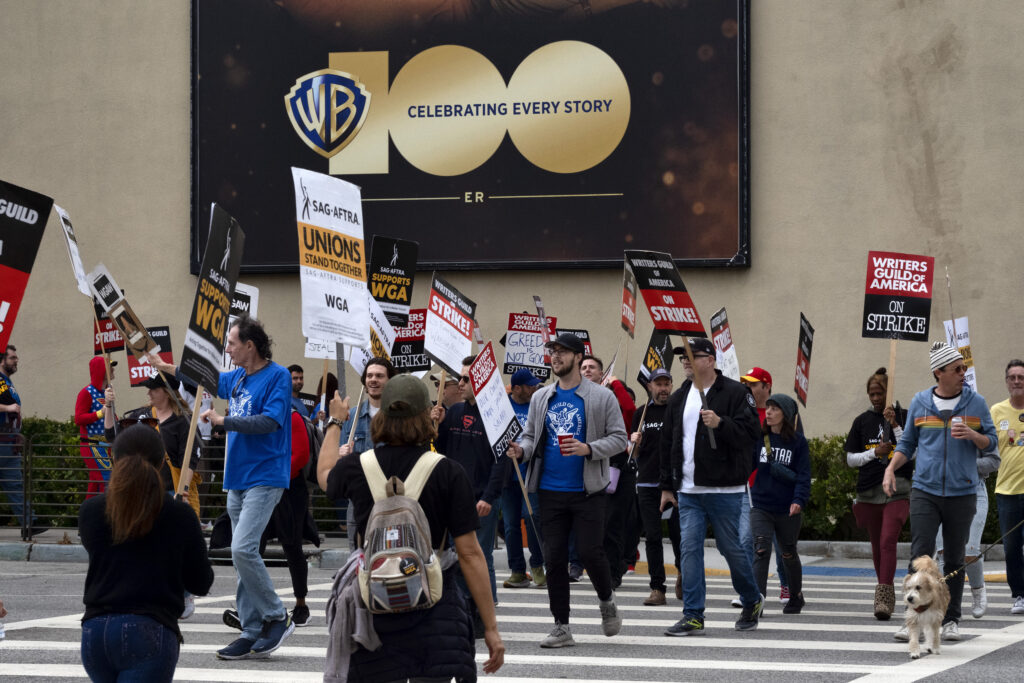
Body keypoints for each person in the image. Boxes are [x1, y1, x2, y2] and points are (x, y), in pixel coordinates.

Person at [317, 376, 505, 680]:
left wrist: (337, 420)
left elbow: (325, 474)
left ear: (382, 417)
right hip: (435, 610)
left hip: (374, 613)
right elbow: (471, 554)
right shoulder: (448, 471)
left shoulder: (357, 467)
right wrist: (492, 629)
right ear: (424, 416)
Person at [151, 314, 295, 660]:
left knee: (242, 549)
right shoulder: (239, 377)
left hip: (265, 475)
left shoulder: (277, 376)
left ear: (250, 345)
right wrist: (164, 366)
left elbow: (270, 422)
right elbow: (204, 378)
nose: (227, 349)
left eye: (231, 343)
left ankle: (276, 616)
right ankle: (251, 629)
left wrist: (222, 421)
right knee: (246, 555)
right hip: (238, 479)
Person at [507, 332, 627, 648]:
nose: (555, 357)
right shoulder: (541, 398)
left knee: (589, 551)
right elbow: (531, 437)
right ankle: (561, 626)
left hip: (588, 490)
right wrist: (521, 450)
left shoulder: (602, 397)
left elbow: (619, 439)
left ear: (578, 356)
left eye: (561, 352)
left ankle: (606, 599)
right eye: (552, 352)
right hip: (549, 490)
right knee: (554, 557)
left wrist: (589, 448)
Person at [79, 424, 214, 682]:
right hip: (149, 627)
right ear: (163, 461)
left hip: (95, 630)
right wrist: (186, 528)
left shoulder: (91, 511)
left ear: (113, 458)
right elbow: (201, 580)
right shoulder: (177, 514)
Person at [884, 341, 998, 642]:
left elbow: (992, 443)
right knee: (920, 555)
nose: (963, 373)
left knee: (955, 557)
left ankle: (951, 619)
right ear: (939, 372)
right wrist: (890, 468)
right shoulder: (921, 402)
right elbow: (907, 445)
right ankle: (913, 619)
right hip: (925, 490)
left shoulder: (976, 403)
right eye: (957, 369)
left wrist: (975, 435)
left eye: (964, 368)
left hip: (962, 492)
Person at [659, 337, 763, 636]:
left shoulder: (734, 392)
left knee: (731, 550)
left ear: (711, 360)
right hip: (688, 490)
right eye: (682, 357)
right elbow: (669, 443)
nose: (686, 361)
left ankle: (751, 598)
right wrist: (668, 485)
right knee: (689, 550)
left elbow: (751, 431)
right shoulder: (680, 396)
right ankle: (693, 614)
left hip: (724, 489)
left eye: (693, 355)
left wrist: (721, 423)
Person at [432, 356, 510, 608]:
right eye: (460, 377)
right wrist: (439, 426)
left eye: (467, 378)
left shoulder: (496, 414)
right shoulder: (454, 411)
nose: (460, 382)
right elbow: (443, 450)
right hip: (455, 497)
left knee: (480, 554)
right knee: (457, 553)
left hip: (481, 498)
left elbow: (502, 461)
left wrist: (488, 497)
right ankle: (465, 601)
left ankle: (486, 604)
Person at [845, 367, 911, 620]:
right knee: (876, 546)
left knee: (887, 541)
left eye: (880, 393)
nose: (875, 398)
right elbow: (851, 459)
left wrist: (894, 424)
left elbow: (910, 451)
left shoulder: (904, 416)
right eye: (871, 394)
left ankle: (882, 598)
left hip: (898, 489)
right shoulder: (862, 421)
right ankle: (887, 586)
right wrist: (874, 453)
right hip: (869, 491)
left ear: (888, 392)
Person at [749, 393, 810, 614]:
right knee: (761, 550)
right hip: (761, 505)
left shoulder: (798, 443)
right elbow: (747, 465)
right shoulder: (760, 438)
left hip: (787, 508)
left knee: (788, 553)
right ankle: (757, 602)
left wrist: (798, 500)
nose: (770, 413)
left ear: (786, 414)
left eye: (775, 409)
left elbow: (804, 476)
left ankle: (796, 595)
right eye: (769, 408)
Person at [581, 354, 636, 589]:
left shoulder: (610, 399)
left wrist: (615, 383)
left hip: (615, 465)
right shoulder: (576, 395)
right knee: (591, 525)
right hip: (588, 464)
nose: (586, 370)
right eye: (583, 367)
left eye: (592, 367)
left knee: (612, 523)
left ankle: (613, 572)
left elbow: (631, 410)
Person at [738, 366, 790, 606]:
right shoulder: (744, 412)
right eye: (746, 384)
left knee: (781, 544)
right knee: (747, 540)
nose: (748, 388)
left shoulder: (780, 413)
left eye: (753, 384)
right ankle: (751, 591)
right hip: (749, 488)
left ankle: (787, 584)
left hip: (777, 488)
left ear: (767, 386)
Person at [630, 367, 680, 605]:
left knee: (680, 536)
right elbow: (635, 455)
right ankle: (657, 588)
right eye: (658, 384)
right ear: (649, 386)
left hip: (676, 483)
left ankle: (684, 575)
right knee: (652, 537)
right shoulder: (641, 413)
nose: (663, 389)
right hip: (648, 482)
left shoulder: (677, 411)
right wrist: (634, 444)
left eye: (666, 384)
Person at [338, 357, 396, 539]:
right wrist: (342, 454)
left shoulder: (398, 417)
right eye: (370, 375)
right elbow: (340, 457)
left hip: (389, 498)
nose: (373, 380)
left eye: (379, 376)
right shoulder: (353, 415)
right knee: (357, 558)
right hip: (358, 499)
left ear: (389, 381)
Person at [500, 368, 545, 590]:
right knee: (510, 525)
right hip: (509, 474)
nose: (534, 388)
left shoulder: (537, 404)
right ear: (516, 388)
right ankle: (517, 571)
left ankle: (538, 565)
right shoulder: (503, 407)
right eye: (529, 385)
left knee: (532, 517)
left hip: (531, 471)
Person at [992, 359, 1024, 615]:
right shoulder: (996, 411)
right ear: (1006, 381)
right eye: (1012, 377)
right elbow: (987, 446)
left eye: (1021, 377)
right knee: (1012, 548)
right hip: (1007, 491)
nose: (1017, 381)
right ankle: (1019, 595)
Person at [0, 345, 41, 533]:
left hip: (8, 440)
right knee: (13, 481)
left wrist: (17, 433)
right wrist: (8, 409)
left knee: (14, 482)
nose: (16, 361)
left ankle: (29, 523)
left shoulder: (6, 382)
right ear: (2, 360)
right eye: (12, 358)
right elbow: (10, 408)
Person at [75, 356, 116, 498]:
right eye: (110, 366)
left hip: (106, 444)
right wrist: (100, 412)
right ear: (101, 370)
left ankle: (88, 516)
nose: (113, 369)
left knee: (95, 484)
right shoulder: (86, 392)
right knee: (107, 479)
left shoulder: (107, 392)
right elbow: (79, 418)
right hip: (92, 444)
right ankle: (103, 515)